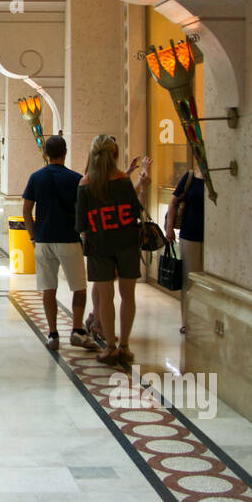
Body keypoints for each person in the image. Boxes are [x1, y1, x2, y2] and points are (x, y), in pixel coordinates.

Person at [21, 134, 95, 352]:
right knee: (79, 287)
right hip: (69, 239)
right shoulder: (76, 179)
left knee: (48, 288)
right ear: (65, 152)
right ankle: (76, 331)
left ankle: (53, 333)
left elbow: (26, 210)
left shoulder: (36, 177)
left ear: (46, 153)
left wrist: (33, 236)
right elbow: (85, 211)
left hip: (43, 240)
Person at [76, 134, 145, 368]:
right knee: (128, 296)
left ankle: (110, 348)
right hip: (127, 243)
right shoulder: (124, 180)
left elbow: (81, 224)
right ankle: (124, 345)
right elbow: (135, 211)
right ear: (114, 154)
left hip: (99, 246)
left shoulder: (85, 184)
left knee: (105, 299)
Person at [164, 163, 205, 335]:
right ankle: (187, 321)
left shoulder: (216, 177)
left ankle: (205, 320)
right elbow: (174, 202)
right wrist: (169, 227)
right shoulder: (190, 177)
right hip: (190, 235)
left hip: (215, 238)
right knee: (189, 280)